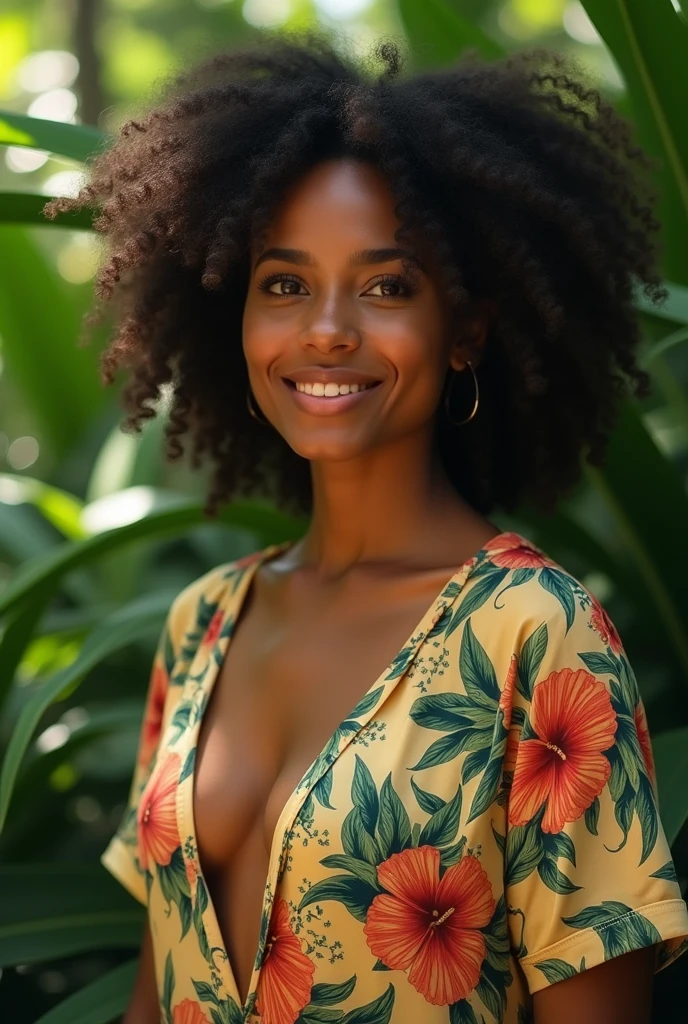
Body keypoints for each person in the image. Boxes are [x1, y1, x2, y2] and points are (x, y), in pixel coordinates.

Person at [44, 30, 688, 1024]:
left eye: (387, 285)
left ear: (466, 325)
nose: (326, 327)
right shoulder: (204, 623)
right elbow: (154, 989)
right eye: (284, 283)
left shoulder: (534, 635)